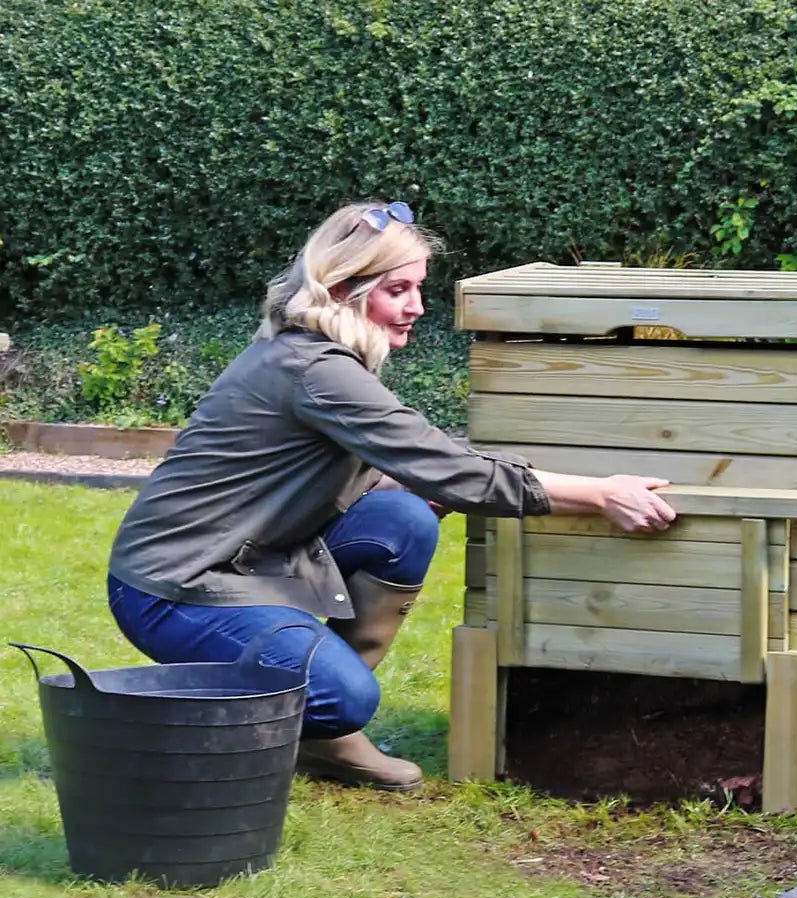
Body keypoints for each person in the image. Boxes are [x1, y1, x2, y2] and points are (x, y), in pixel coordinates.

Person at [107, 200, 677, 792]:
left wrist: (423, 481)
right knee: (343, 695)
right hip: (174, 587)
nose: (417, 308)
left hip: (253, 557)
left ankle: (320, 733)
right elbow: (451, 467)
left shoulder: (321, 355)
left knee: (403, 518)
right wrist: (602, 494)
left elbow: (394, 467)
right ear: (347, 290)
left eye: (418, 288)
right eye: (398, 290)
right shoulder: (316, 370)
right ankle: (276, 726)